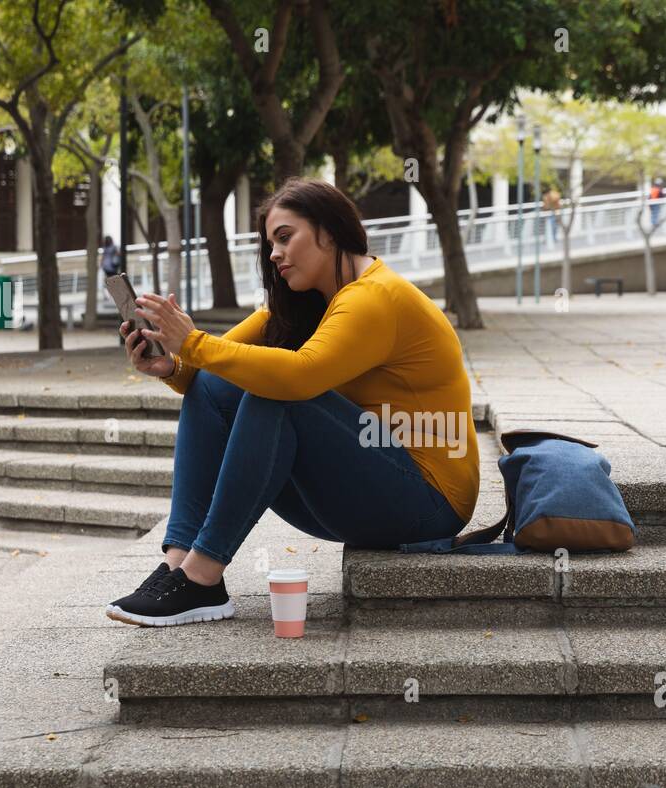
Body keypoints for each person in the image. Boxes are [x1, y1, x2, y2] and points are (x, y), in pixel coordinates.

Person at [106, 177, 479, 626]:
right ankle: (178, 562)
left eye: (285, 237)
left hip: (429, 501)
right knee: (212, 386)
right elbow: (211, 379)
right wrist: (173, 367)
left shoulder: (376, 297)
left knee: (278, 396)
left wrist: (194, 342)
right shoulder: (308, 304)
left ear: (329, 230)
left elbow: (301, 376)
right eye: (270, 244)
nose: (275, 254)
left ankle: (204, 575)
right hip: (368, 483)